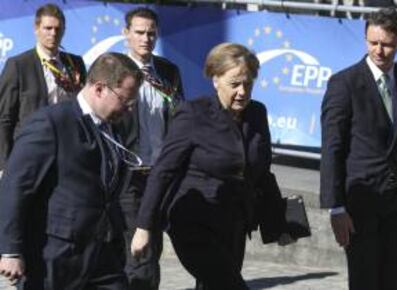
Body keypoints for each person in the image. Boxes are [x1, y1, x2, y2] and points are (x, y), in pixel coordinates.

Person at [130, 43, 292, 290]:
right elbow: (164, 171)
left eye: (248, 84)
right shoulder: (193, 114)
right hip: (192, 222)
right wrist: (144, 227)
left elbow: (262, 174)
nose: (242, 92)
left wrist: (279, 224)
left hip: (234, 223)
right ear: (216, 80)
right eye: (234, 84)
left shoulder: (257, 114)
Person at [0, 52, 142, 290]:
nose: (128, 109)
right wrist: (10, 250)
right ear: (99, 89)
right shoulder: (51, 123)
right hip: (55, 256)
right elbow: (15, 187)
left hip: (104, 253)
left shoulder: (113, 126)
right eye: (124, 101)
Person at [320, 8, 397, 290]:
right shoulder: (344, 83)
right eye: (373, 43)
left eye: (386, 44)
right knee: (365, 281)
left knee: (393, 280)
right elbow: (332, 147)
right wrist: (335, 207)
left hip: (395, 202)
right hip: (358, 201)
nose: (379, 50)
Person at [120, 7, 184, 290]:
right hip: (128, 173)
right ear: (127, 34)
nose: (146, 38)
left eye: (151, 33)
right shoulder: (114, 68)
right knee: (137, 251)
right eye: (140, 32)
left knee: (152, 246)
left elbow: (180, 118)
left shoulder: (168, 71)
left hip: (160, 173)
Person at [0, 3, 87, 176]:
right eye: (48, 28)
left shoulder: (75, 63)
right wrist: (3, 163)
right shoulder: (18, 65)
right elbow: (4, 117)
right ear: (36, 28)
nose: (53, 34)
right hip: (29, 152)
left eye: (58, 29)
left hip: (67, 151)